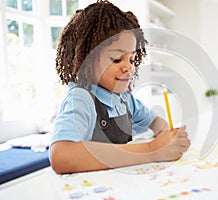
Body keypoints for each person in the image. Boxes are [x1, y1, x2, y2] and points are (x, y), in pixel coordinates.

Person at [50, 0, 190, 174]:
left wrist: (169, 138)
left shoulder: (125, 100)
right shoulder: (81, 99)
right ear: (87, 58)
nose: (129, 67)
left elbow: (157, 124)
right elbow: (61, 156)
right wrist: (151, 150)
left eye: (131, 59)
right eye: (117, 59)